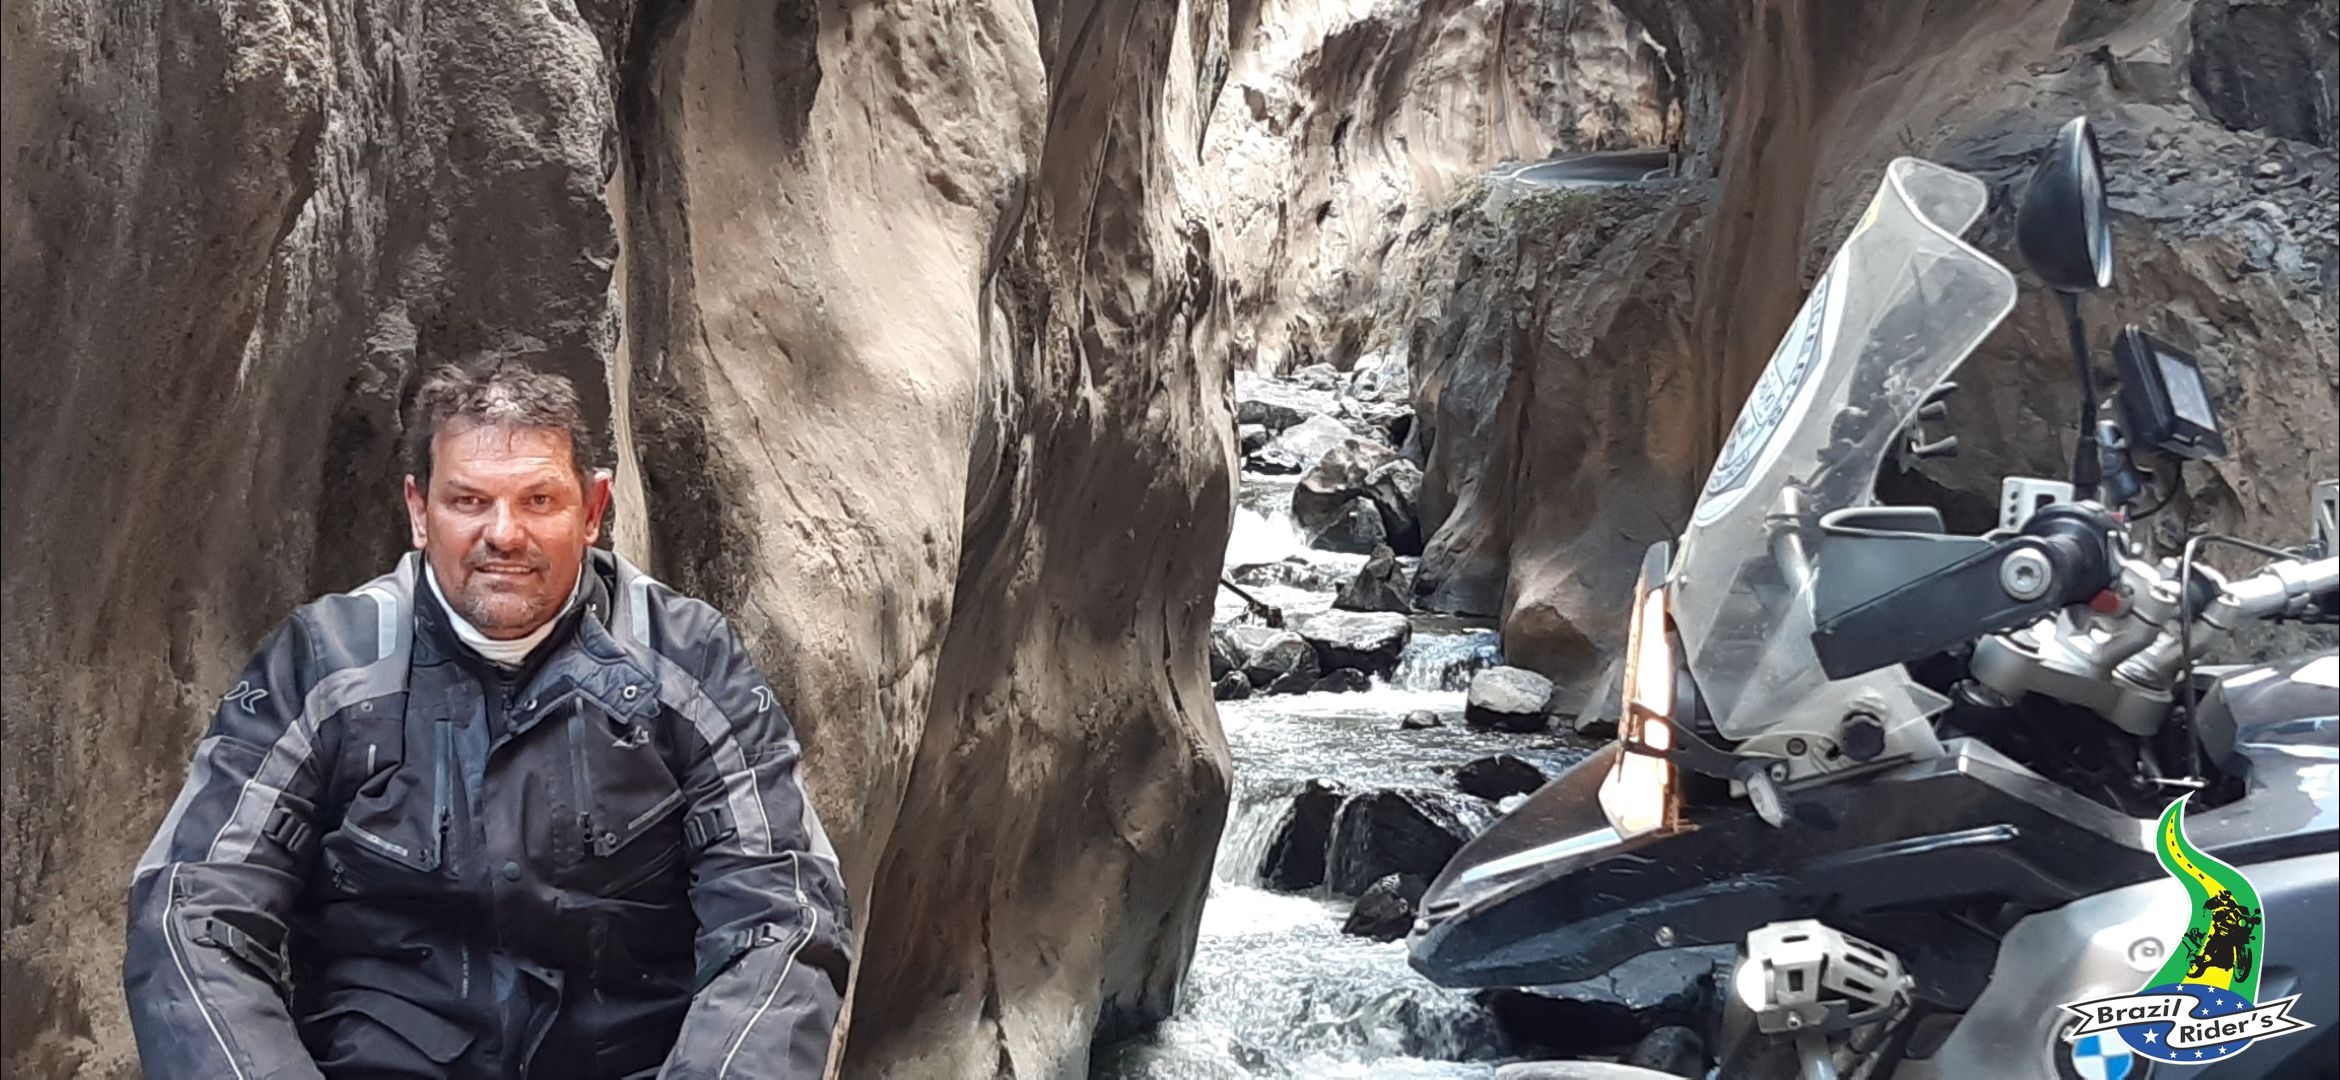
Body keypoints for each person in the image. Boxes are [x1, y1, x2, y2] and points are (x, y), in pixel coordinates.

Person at [124, 360, 851, 1078]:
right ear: (419, 511)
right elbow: (191, 909)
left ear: (593, 511)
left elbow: (784, 910)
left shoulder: (689, 662)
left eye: (539, 500)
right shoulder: (321, 666)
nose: (503, 533)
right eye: (469, 501)